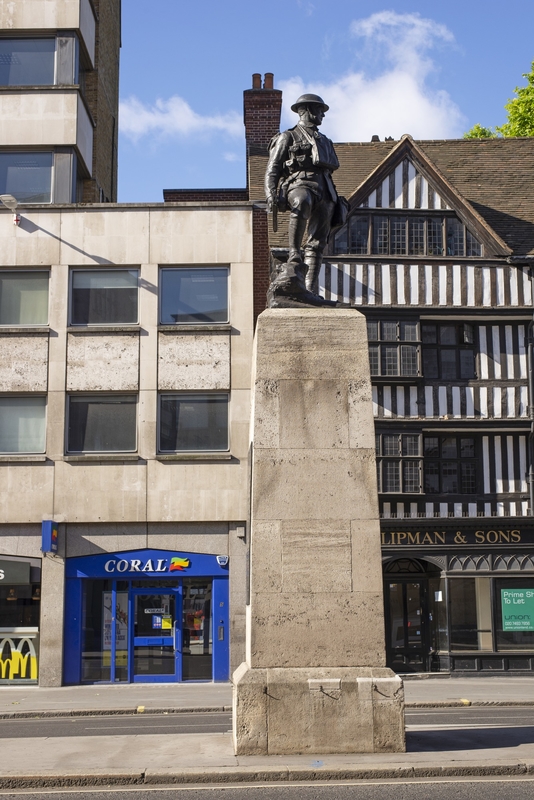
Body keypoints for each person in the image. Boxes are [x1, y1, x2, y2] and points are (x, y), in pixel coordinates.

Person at [265, 93, 342, 297]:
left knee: (318, 242)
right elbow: (272, 168)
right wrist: (270, 193)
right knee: (301, 202)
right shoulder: (288, 137)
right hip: (299, 183)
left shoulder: (325, 141)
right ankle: (294, 254)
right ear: (305, 111)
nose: (322, 116)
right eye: (318, 111)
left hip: (325, 189)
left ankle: (309, 290)